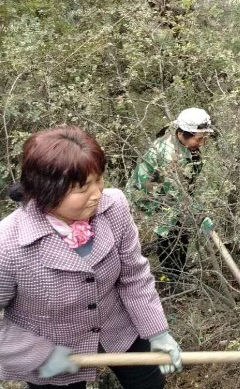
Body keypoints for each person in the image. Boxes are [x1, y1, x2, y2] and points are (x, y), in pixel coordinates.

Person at [0, 126, 182, 388]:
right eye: (83, 187)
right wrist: (38, 355)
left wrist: (158, 331)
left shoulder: (114, 206)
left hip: (117, 325)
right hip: (53, 348)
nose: (97, 194)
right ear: (45, 191)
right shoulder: (8, 244)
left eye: (99, 179)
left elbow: (134, 274)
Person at [126, 108, 213, 280]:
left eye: (204, 138)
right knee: (169, 228)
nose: (201, 143)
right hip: (148, 194)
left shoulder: (183, 136)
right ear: (182, 134)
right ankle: (172, 276)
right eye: (199, 139)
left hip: (168, 191)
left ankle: (180, 268)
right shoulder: (170, 155)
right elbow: (177, 194)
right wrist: (199, 215)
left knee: (182, 225)